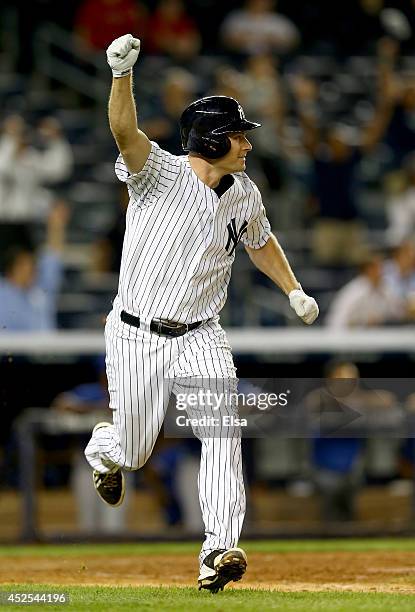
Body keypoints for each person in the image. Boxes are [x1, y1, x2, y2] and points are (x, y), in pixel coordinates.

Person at [84, 33, 319, 594]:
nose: (247, 144)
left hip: (202, 334)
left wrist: (293, 289)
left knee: (221, 431)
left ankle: (217, 550)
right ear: (213, 139)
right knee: (136, 451)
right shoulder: (159, 173)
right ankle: (104, 448)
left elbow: (260, 241)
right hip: (138, 334)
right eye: (238, 135)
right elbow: (124, 131)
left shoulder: (243, 192)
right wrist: (121, 74)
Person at [0, 200, 69, 331]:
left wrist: (56, 225)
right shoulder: (2, 292)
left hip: (48, 350)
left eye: (32, 266)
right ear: (11, 269)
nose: (29, 270)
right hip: (10, 350)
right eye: (23, 266)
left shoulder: (41, 287)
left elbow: (53, 256)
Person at [325, 252, 405, 328]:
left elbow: (399, 312)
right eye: (377, 267)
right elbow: (336, 322)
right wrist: (363, 323)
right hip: (353, 339)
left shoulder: (385, 289)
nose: (381, 271)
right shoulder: (354, 292)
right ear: (368, 270)